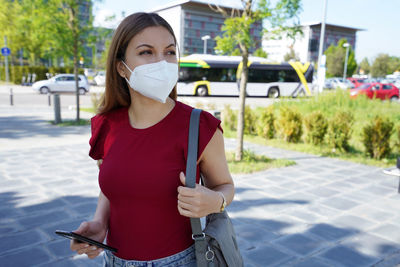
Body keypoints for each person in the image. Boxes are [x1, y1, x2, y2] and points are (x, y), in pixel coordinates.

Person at [70, 12, 235, 267]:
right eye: (146, 52)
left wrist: (216, 201)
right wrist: (99, 223)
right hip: (113, 261)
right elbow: (112, 186)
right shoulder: (107, 126)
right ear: (121, 66)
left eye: (169, 52)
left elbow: (225, 185)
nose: (162, 62)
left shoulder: (200, 127)